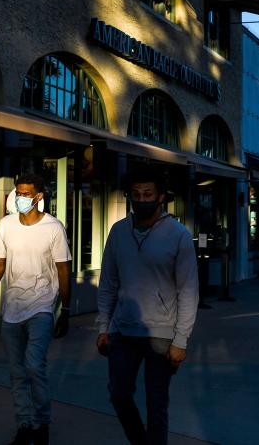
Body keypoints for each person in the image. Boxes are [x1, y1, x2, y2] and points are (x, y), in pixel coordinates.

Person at [96, 168, 199, 445]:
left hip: (161, 336)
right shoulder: (118, 232)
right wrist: (103, 326)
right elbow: (108, 282)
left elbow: (188, 291)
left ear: (161, 197)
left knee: (157, 405)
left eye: (148, 194)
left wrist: (181, 340)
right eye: (136, 194)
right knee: (118, 394)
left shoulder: (178, 235)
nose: (141, 199)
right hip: (122, 331)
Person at [0, 174, 72, 445]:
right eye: (17, 192)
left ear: (39, 197)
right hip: (12, 308)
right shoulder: (6, 225)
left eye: (25, 193)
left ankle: (41, 424)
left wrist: (65, 309)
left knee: (34, 366)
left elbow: (63, 269)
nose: (19, 198)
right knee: (17, 371)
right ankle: (24, 425)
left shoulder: (54, 228)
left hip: (42, 306)